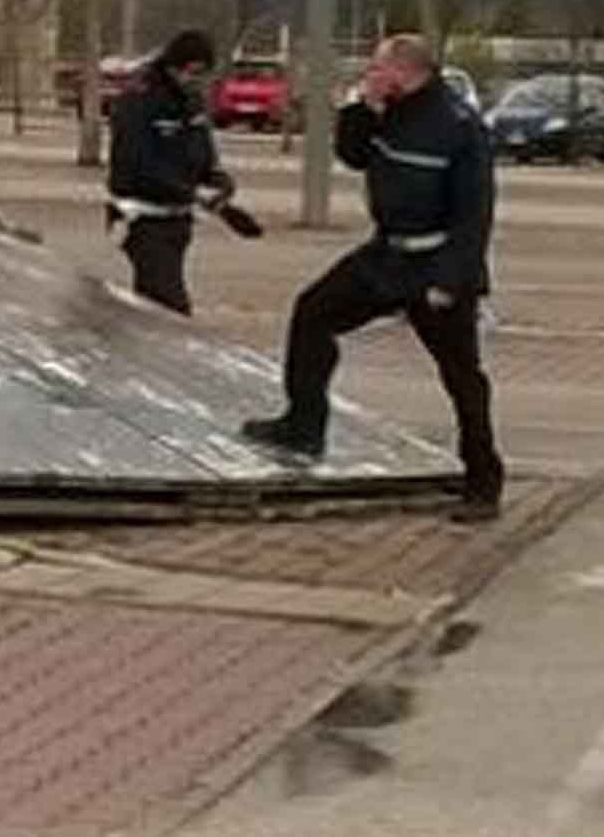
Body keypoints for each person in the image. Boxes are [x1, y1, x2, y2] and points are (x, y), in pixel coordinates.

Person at [246, 32, 505, 510]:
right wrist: (361, 108)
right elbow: (353, 154)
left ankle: (483, 478)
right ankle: (303, 425)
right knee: (313, 312)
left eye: (378, 68)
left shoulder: (457, 125)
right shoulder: (390, 111)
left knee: (460, 373)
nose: (371, 74)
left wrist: (451, 280)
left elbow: (475, 213)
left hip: (435, 263)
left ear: (406, 71)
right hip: (386, 256)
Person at [103, 29, 244, 313]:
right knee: (167, 304)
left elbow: (202, 153)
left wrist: (219, 182)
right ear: (173, 67)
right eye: (192, 73)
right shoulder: (141, 101)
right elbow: (135, 164)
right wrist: (191, 192)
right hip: (142, 216)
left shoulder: (191, 103)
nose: (197, 81)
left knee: (156, 303)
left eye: (203, 75)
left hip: (177, 216)